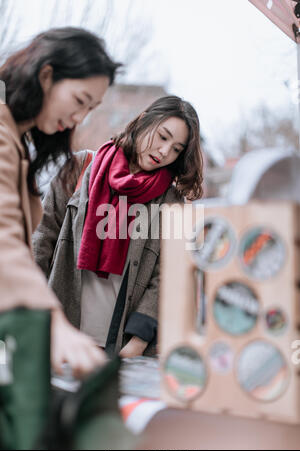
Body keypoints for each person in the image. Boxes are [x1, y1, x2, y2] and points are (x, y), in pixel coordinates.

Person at [33, 95, 204, 359]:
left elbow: (171, 275)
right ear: (144, 121)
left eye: (177, 149)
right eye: (162, 136)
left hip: (124, 347)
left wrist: (136, 343)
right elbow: (41, 239)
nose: (164, 152)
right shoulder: (79, 168)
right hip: (61, 334)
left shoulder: (173, 202)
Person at [0, 26, 121, 378]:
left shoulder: (18, 140)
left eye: (92, 109)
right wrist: (52, 322)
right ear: (46, 75)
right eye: (80, 101)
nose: (80, 118)